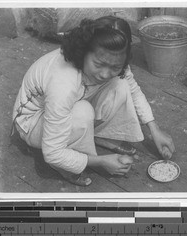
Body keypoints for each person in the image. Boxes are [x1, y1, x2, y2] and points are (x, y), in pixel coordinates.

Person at [11, 15, 175, 186]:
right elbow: (52, 152)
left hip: (69, 105)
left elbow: (132, 89)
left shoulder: (111, 59)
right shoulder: (63, 82)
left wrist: (155, 130)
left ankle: (101, 137)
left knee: (121, 84)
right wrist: (101, 161)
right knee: (82, 112)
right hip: (32, 123)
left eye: (115, 66)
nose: (105, 73)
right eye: (98, 64)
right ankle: (66, 166)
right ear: (83, 52)